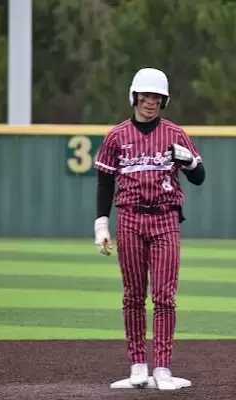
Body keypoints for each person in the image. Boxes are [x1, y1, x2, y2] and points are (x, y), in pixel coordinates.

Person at [93, 67, 205, 390]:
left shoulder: (175, 134)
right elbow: (104, 182)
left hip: (166, 219)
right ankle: (138, 366)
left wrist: (190, 162)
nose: (150, 102)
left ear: (164, 100)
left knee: (164, 296)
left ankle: (164, 368)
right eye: (146, 95)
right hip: (129, 218)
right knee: (132, 295)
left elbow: (199, 177)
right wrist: (101, 224)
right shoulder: (116, 136)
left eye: (157, 97)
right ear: (135, 96)